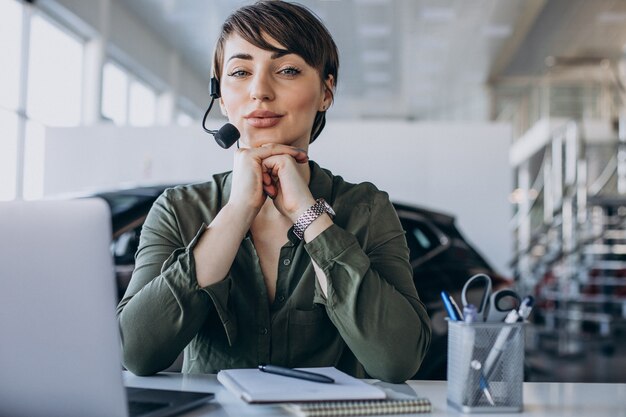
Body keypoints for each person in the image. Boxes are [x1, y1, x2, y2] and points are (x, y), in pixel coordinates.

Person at [117, 0, 431, 383]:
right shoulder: (178, 208)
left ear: (326, 92)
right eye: (240, 72)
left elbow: (397, 360)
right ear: (219, 94)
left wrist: (308, 213)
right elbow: (135, 352)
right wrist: (236, 211)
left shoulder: (366, 208)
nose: (259, 91)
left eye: (287, 70)